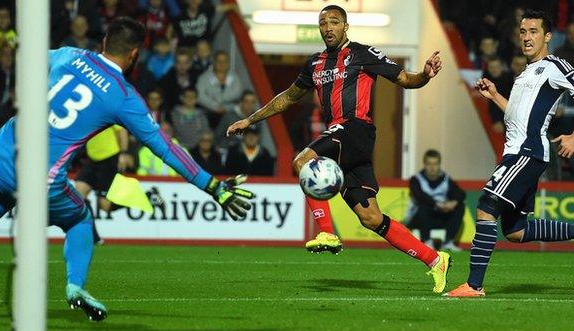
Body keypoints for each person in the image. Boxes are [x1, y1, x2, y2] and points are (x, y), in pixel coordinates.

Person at [0, 17, 254, 321]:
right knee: (80, 219)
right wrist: (211, 186)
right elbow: (166, 148)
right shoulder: (123, 96)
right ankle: (75, 287)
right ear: (135, 54)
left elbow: (28, 55)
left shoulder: (70, 55)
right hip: (38, 176)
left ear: (104, 43)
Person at [227, 5, 450, 294]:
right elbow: (288, 98)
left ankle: (326, 232)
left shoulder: (362, 53)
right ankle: (435, 260)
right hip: (342, 139)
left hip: (356, 129)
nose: (328, 27)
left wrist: (425, 75)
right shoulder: (314, 64)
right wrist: (250, 119)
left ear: (345, 26)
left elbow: (405, 80)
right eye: (323, 23)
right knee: (371, 218)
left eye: (334, 22)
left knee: (302, 160)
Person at [446, 10, 574, 298]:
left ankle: (474, 285)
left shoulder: (555, 66)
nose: (527, 37)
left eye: (534, 31)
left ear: (548, 36)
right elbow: (519, 115)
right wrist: (494, 96)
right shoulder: (526, 73)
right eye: (523, 32)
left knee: (486, 207)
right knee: (515, 232)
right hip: (520, 151)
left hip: (526, 152)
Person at [406, 149, 466, 251]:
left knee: (460, 206)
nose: (432, 168)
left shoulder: (445, 179)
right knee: (424, 206)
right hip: (418, 218)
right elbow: (420, 196)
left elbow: (461, 193)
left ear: (439, 164)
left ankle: (448, 242)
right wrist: (438, 204)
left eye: (435, 164)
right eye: (429, 164)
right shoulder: (416, 179)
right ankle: (427, 241)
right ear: (424, 164)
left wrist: (453, 202)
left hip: (440, 216)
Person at [196, 50, 243, 128]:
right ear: (214, 62)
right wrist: (215, 106)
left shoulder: (235, 78)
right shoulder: (203, 78)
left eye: (225, 61)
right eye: (219, 61)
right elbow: (200, 96)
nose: (222, 64)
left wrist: (225, 107)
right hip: (209, 114)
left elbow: (238, 95)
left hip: (230, 115)